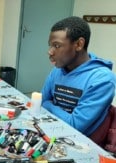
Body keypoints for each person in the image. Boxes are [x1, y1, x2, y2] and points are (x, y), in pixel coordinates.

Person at [41, 16, 116, 147]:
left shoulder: (102, 79)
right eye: (51, 45)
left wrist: (50, 105)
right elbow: (40, 102)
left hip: (80, 144)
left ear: (79, 44)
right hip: (52, 132)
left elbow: (74, 126)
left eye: (57, 45)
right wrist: (46, 104)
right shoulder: (57, 70)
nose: (50, 52)